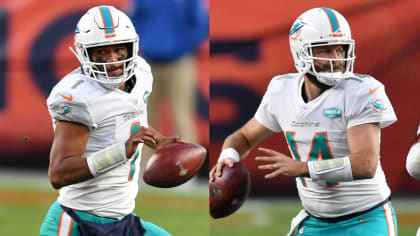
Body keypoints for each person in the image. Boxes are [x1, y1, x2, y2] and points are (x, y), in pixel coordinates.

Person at [210, 7, 398, 236]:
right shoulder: (282, 89)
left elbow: (365, 164)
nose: (337, 59)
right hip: (315, 221)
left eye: (341, 49)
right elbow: (243, 137)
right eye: (326, 50)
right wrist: (227, 157)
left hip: (366, 218)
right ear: (301, 53)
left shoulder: (362, 91)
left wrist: (303, 167)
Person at [40, 5, 180, 236]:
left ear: (131, 48)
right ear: (85, 54)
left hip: (123, 221)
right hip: (78, 224)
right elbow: (58, 173)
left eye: (118, 50)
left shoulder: (142, 74)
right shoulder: (78, 96)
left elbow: (124, 123)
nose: (112, 60)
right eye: (101, 52)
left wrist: (157, 140)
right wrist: (121, 151)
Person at [129, 0, 209, 149]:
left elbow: (200, 24)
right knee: (145, 120)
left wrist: (180, 47)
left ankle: (188, 167)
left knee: (182, 116)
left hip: (180, 62)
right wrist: (146, 44)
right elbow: (132, 21)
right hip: (148, 62)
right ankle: (145, 169)